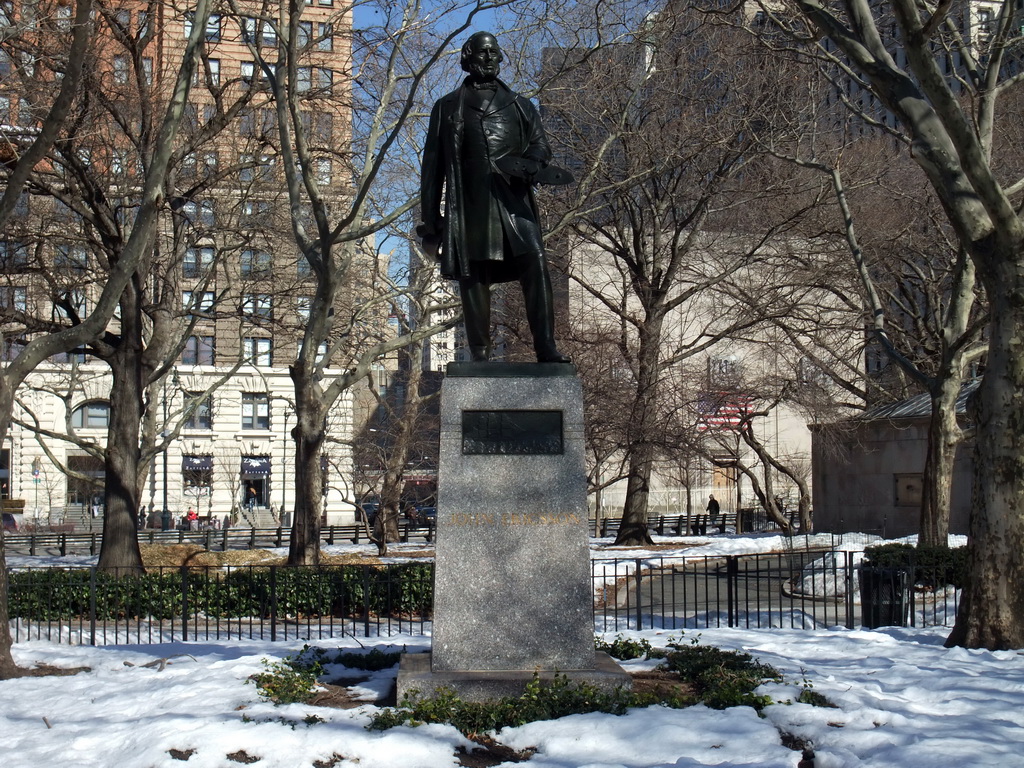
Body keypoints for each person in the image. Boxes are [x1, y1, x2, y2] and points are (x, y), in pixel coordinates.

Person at [419, 31, 572, 364]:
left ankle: (545, 346)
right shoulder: (446, 107)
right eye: (482, 53)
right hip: (471, 201)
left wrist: (530, 163)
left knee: (535, 261)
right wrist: (430, 221)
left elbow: (541, 145)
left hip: (514, 202)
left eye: (494, 54)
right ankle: (480, 354)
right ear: (468, 57)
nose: (489, 59)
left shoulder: (521, 106)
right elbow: (432, 167)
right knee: (473, 274)